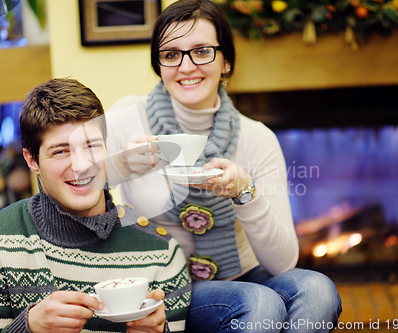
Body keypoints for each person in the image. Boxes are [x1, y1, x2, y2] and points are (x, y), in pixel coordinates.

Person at [105, 0, 342, 332]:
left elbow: (284, 262)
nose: (186, 66)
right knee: (259, 304)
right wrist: (121, 165)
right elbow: (72, 180)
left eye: (202, 51)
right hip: (163, 281)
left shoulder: (256, 138)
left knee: (316, 290)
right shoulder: (131, 117)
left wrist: (245, 193)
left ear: (226, 62)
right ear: (159, 64)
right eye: (171, 54)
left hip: (242, 273)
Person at [0, 78, 191, 333]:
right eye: (61, 151)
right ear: (32, 160)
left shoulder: (162, 254)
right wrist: (29, 327)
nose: (81, 164)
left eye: (91, 146)